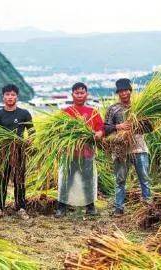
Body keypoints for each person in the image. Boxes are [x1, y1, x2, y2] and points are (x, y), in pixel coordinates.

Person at [104, 78, 153, 216]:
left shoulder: (140, 107)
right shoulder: (113, 109)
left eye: (126, 90)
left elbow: (150, 127)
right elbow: (105, 128)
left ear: (130, 91)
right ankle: (119, 207)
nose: (123, 93)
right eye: (120, 91)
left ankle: (148, 205)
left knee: (144, 178)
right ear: (118, 93)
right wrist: (118, 126)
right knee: (120, 180)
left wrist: (135, 126)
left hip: (139, 148)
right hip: (121, 150)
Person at [55, 82, 104, 218]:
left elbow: (101, 128)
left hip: (87, 153)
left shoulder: (93, 112)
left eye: (82, 93)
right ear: (72, 95)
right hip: (69, 154)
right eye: (77, 93)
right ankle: (61, 208)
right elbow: (57, 130)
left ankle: (90, 207)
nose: (79, 95)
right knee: (66, 180)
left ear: (86, 95)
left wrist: (99, 133)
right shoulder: (66, 112)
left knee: (87, 180)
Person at [0, 84, 34, 220]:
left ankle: (21, 208)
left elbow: (32, 133)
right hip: (3, 153)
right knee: (1, 181)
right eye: (7, 95)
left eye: (13, 95)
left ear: (17, 97)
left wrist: (29, 141)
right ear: (3, 97)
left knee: (19, 181)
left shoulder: (24, 114)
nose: (10, 97)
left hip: (19, 152)